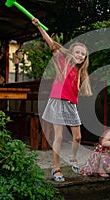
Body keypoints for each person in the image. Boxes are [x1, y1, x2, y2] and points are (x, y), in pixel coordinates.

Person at [32, 18, 92, 181]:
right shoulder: (63, 62)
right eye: (77, 52)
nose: (79, 55)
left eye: (83, 54)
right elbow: (51, 43)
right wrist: (39, 27)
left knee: (78, 137)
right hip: (57, 102)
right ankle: (56, 168)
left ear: (85, 58)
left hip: (71, 105)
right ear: (72, 53)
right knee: (58, 137)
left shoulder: (81, 73)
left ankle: (73, 158)